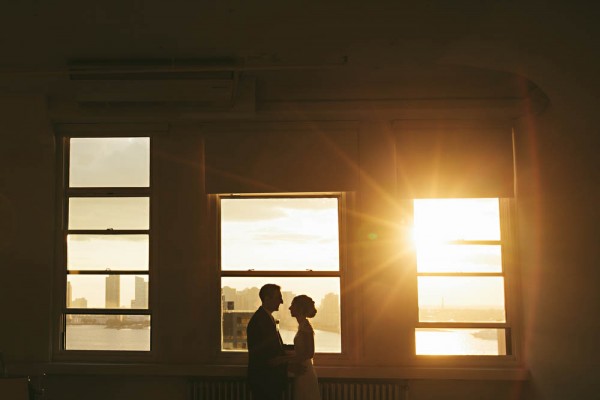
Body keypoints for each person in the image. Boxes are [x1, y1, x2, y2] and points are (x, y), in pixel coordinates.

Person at [246, 283, 291, 400]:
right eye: (278, 297)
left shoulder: (265, 318)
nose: (281, 301)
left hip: (268, 380)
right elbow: (266, 354)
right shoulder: (260, 321)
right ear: (267, 298)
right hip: (266, 380)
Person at [288, 295, 321, 400]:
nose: (289, 308)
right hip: (302, 369)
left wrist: (288, 360)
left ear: (299, 308)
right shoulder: (302, 325)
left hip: (305, 370)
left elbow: (310, 352)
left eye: (292, 305)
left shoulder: (306, 327)